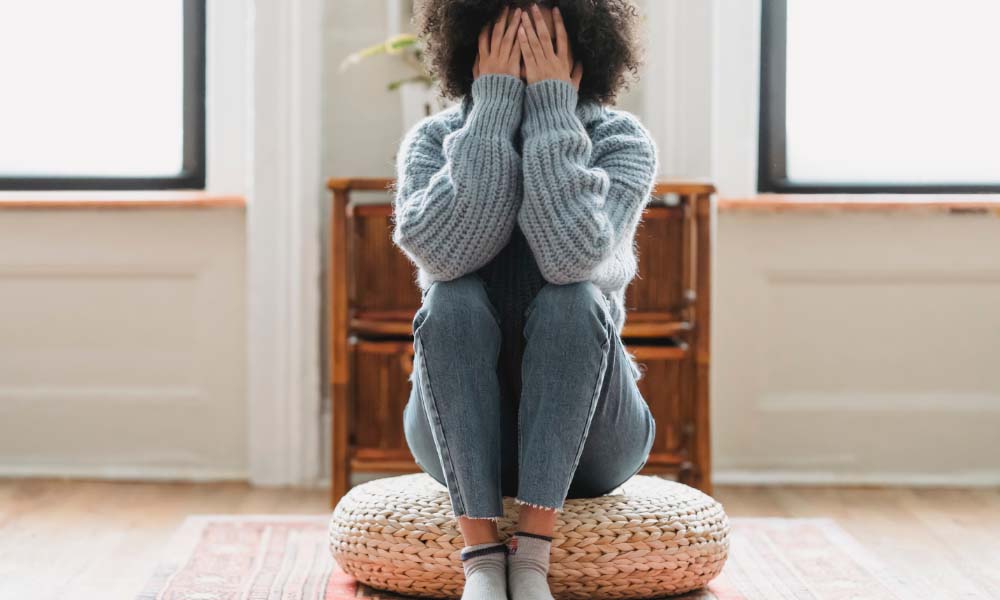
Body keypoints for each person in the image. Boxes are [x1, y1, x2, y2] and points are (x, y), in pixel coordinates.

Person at [393, 2, 657, 598]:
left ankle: (532, 555)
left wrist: (550, 113)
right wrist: (491, 113)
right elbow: (446, 256)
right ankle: (482, 555)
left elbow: (571, 257)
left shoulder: (619, 139)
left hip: (595, 438)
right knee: (451, 298)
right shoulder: (433, 140)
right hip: (455, 437)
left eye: (543, 36)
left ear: (581, 47)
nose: (524, 47)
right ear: (471, 46)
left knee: (574, 299)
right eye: (507, 36)